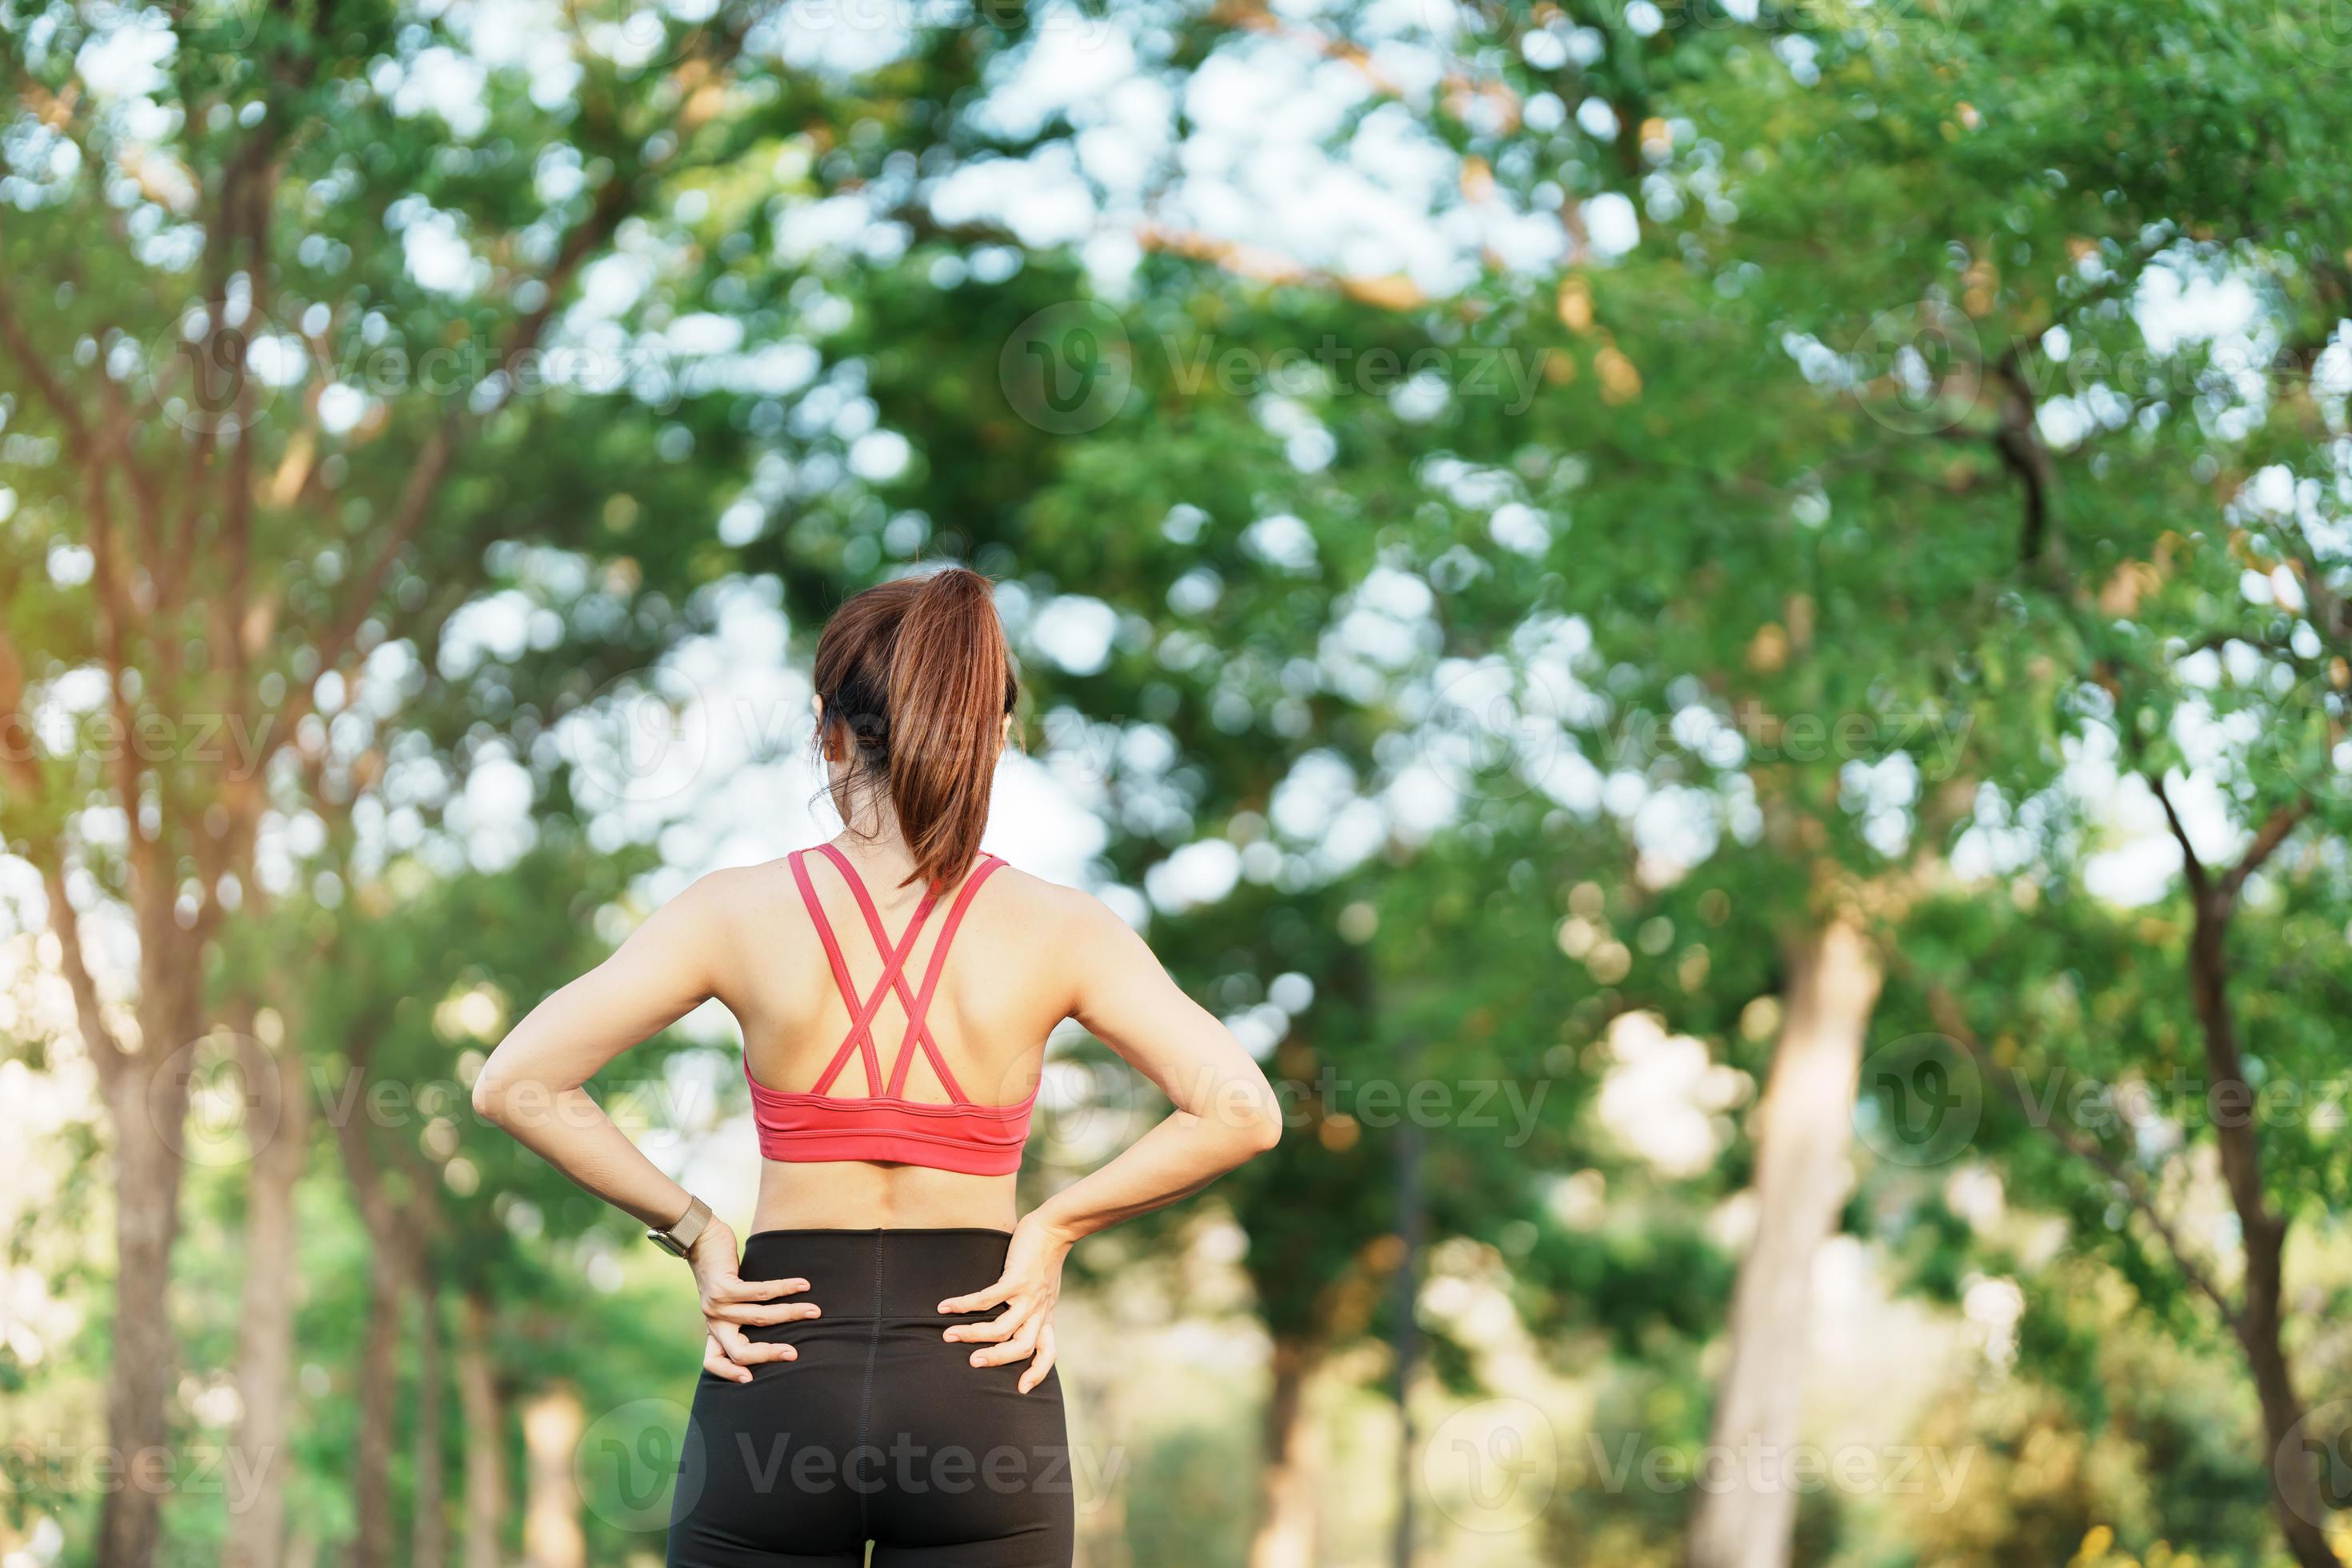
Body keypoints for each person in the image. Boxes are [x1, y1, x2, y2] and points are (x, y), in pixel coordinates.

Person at [474, 566, 1285, 1566]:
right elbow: (1242, 1109)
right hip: (981, 1382)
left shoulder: (732, 912)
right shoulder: (1066, 931)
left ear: (829, 729)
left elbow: (515, 1080)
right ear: (993, 734)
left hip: (774, 1376)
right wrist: (1054, 1227)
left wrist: (694, 1231)